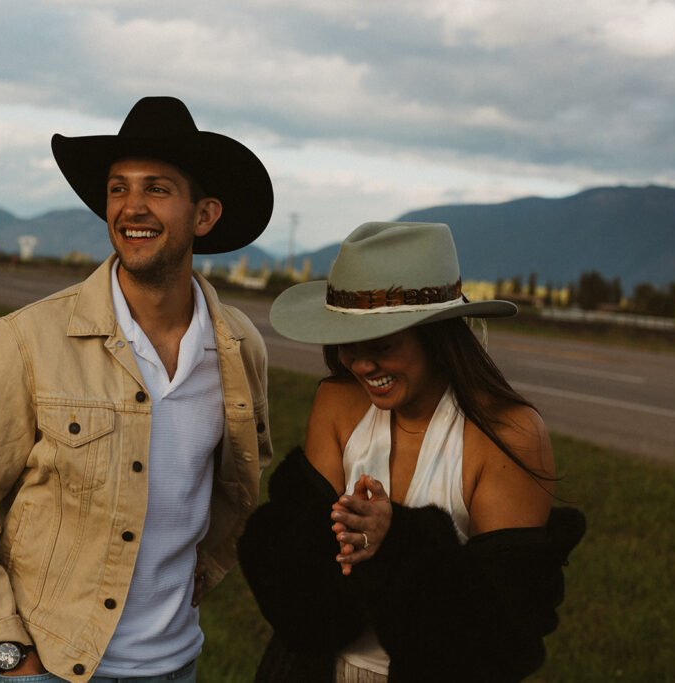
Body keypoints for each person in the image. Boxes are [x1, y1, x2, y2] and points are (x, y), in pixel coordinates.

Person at [0, 96, 275, 682]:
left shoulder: (239, 347)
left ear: (204, 215)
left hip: (174, 666)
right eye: (117, 189)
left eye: (156, 189)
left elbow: (241, 481)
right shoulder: (26, 341)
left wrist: (204, 568)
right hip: (46, 668)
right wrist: (10, 657)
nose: (131, 207)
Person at [238, 222, 585, 682]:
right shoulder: (337, 403)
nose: (360, 364)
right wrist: (341, 539)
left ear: (438, 336)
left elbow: (499, 640)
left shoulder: (509, 435)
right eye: (347, 342)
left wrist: (396, 542)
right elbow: (301, 606)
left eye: (382, 344)